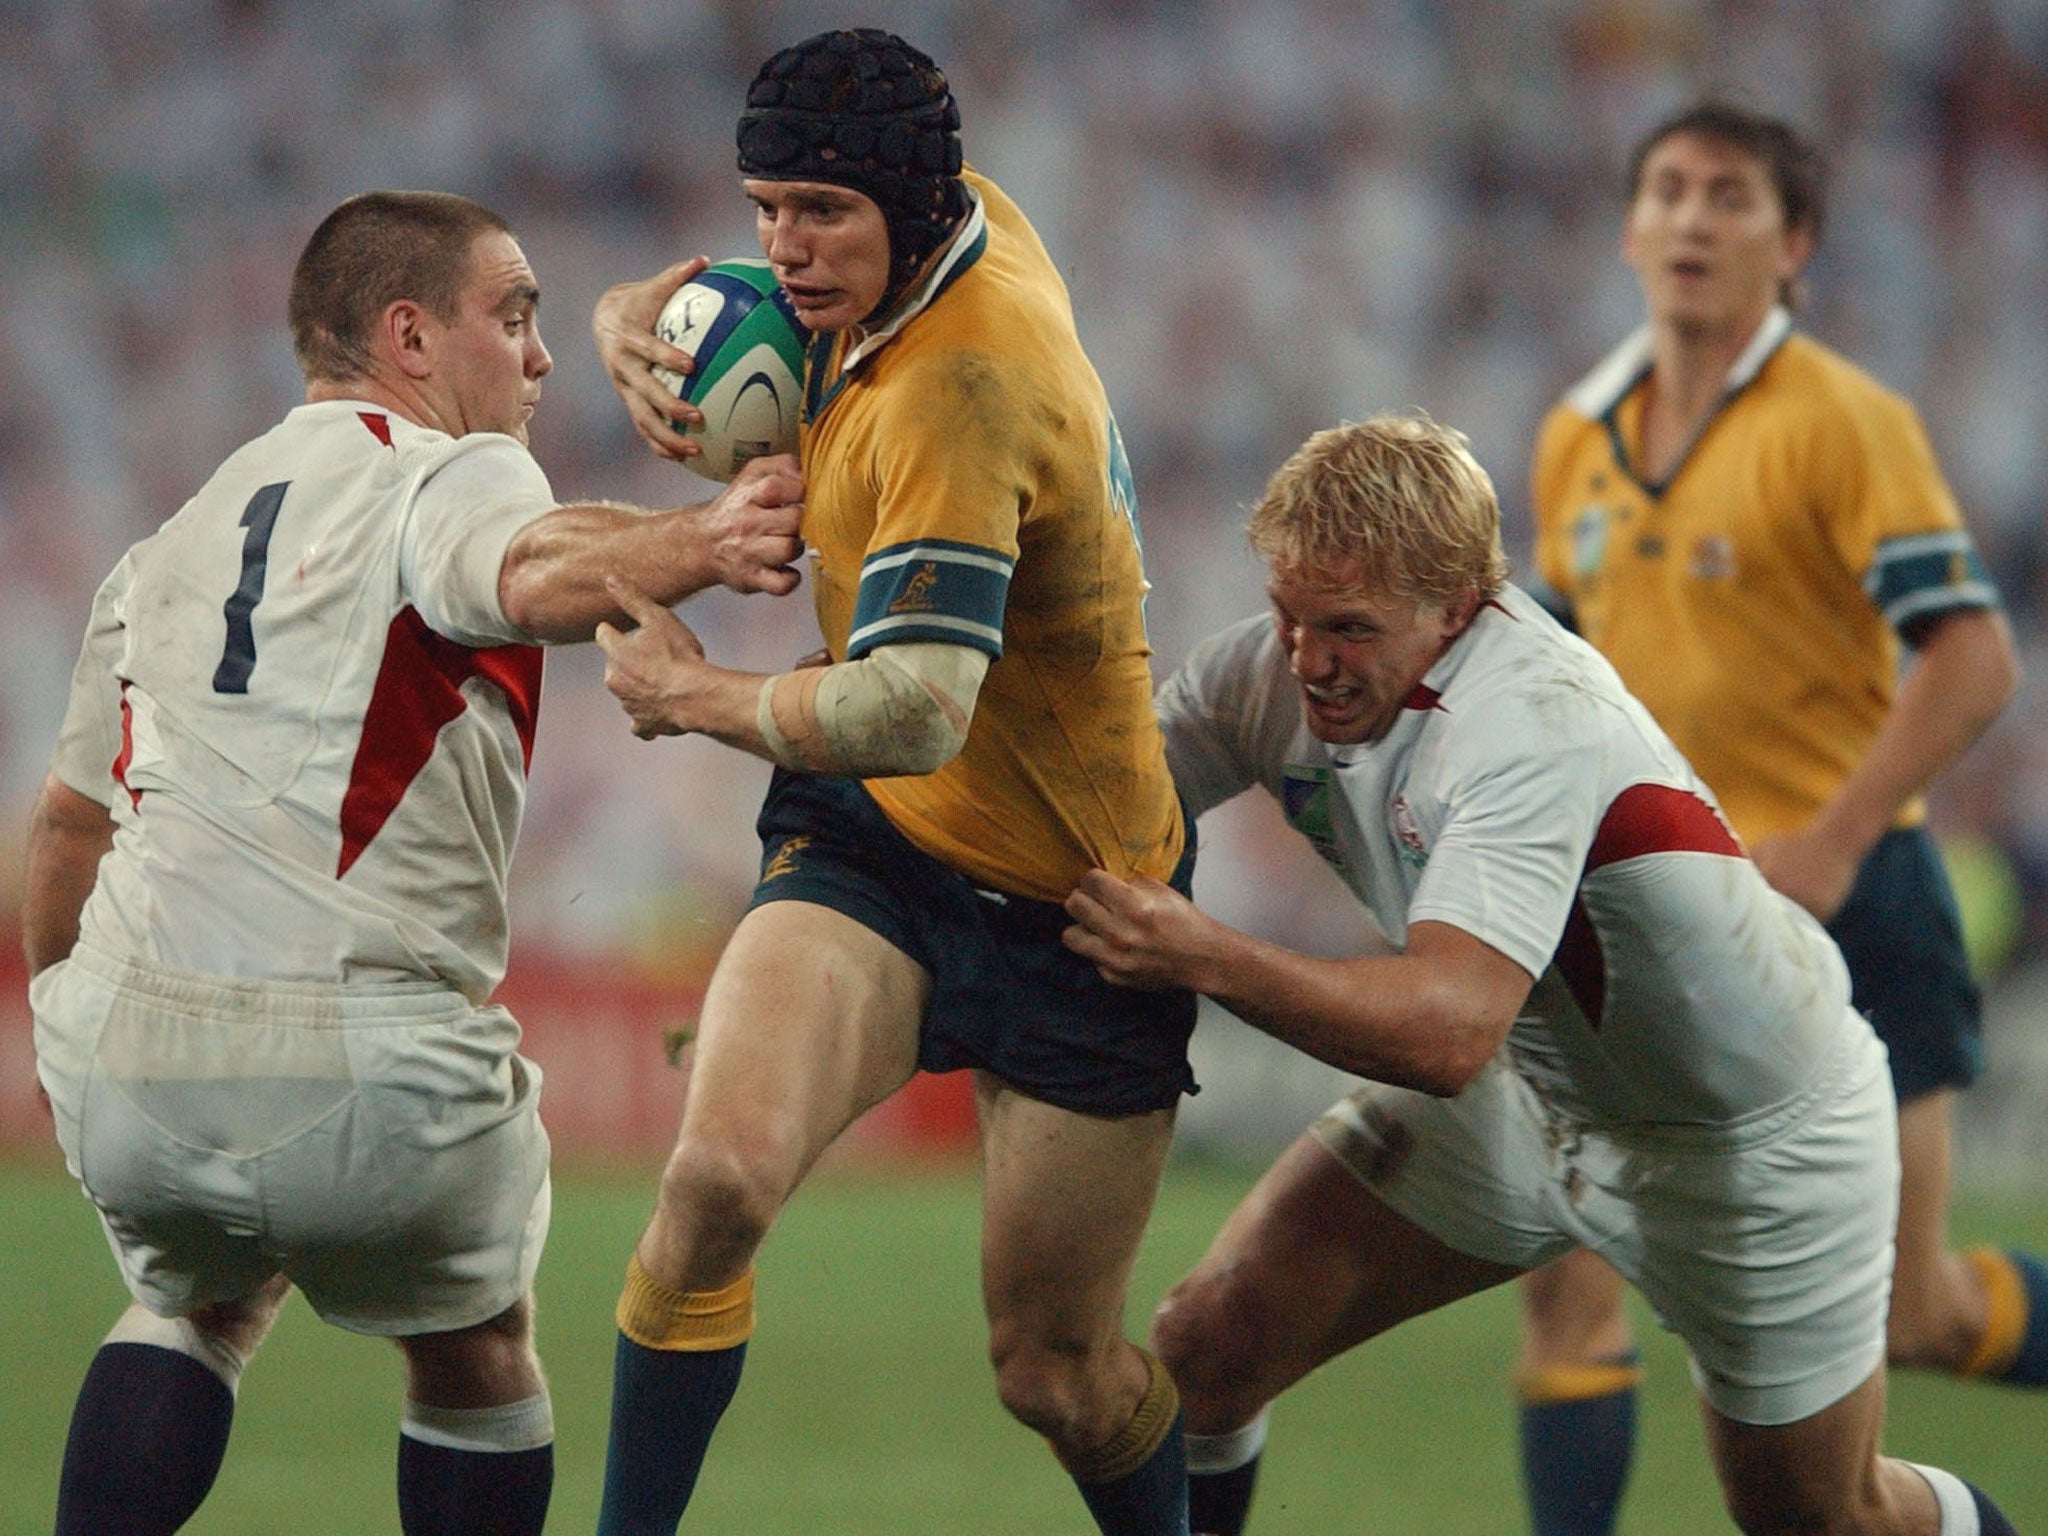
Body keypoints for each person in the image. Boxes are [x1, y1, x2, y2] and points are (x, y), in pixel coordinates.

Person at [1062, 412, 2020, 1536]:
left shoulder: (1530, 721)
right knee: (1207, 1344)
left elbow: (1444, 1031)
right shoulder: (1265, 673)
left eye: (1349, 629)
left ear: (1458, 606)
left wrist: (1203, 954)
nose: (1309, 659)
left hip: (1752, 1140)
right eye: (1288, 616)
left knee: (1826, 1517)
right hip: (1530, 1089)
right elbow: (1092, 806)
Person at [24, 189, 804, 1536]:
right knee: (478, 1347)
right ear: (411, 337)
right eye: (513, 317)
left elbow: (66, 830)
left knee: (194, 1302)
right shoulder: (447, 470)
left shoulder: (168, 544)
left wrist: (60, 1030)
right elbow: (523, 566)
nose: (542, 357)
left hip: (125, 1062)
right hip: (364, 1068)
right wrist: (702, 543)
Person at [582, 28, 1196, 1536]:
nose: (784, 253)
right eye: (765, 208)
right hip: (881, 849)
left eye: (820, 215)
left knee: (1056, 1374)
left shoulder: (965, 385)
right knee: (716, 1180)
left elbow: (919, 706)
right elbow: (700, 275)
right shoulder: (936, 217)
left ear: (907, 212)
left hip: (1083, 900)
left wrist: (694, 695)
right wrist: (618, 320)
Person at [1519, 100, 2045, 1535]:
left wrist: (1832, 834)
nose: (1693, 219)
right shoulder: (1576, 434)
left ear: (1794, 242)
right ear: (1630, 229)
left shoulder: (1844, 422)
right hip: (1650, 909)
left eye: (1733, 197)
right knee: (1568, 1277)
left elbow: (1973, 654)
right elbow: (1549, 679)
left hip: (1849, 901)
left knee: (1918, 1314)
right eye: (1670, 190)